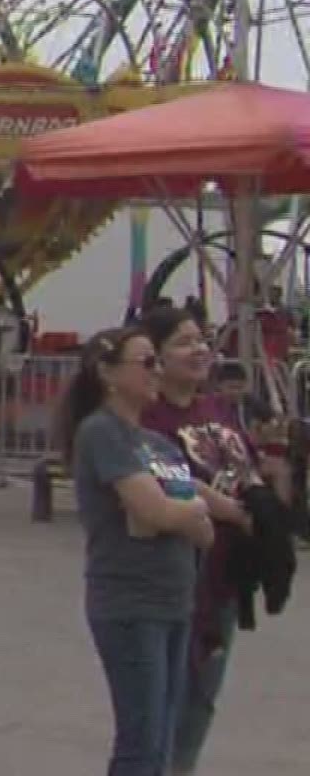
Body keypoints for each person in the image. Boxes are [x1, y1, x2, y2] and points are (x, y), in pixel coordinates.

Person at [61, 325, 215, 776]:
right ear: (110, 374)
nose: (156, 372)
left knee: (163, 739)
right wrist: (181, 510)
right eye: (146, 362)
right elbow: (159, 513)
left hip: (174, 601)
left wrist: (181, 511)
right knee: (141, 742)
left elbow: (201, 529)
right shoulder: (102, 433)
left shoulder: (157, 444)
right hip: (130, 604)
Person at [137, 305, 270, 775]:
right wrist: (238, 512)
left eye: (202, 339)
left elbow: (246, 467)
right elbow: (176, 484)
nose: (199, 350)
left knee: (202, 699)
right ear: (155, 356)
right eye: (183, 342)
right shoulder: (148, 419)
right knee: (168, 700)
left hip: (226, 577)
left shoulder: (217, 407)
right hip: (176, 579)